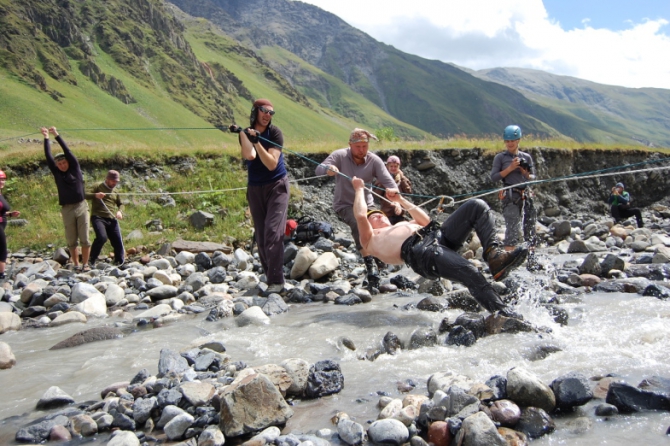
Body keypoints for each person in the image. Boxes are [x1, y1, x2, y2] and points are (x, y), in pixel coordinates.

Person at [351, 176, 528, 314]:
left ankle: (494, 256)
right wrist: (359, 189)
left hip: (438, 236)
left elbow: (426, 221)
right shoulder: (370, 240)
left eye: (380, 214)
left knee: (477, 205)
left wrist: (401, 200)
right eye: (373, 216)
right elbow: (360, 215)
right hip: (422, 253)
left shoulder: (400, 224)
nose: (378, 216)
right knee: (470, 272)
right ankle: (503, 312)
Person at [315, 128, 399, 291]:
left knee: (380, 223)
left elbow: (389, 182)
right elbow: (318, 169)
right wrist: (328, 169)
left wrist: (397, 201)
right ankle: (371, 268)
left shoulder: (374, 160)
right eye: (358, 147)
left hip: (367, 204)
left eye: (365, 146)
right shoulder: (339, 155)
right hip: (344, 204)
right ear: (350, 145)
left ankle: (382, 257)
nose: (362, 150)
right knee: (358, 223)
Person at [231, 99, 289, 293]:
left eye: (271, 113)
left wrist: (258, 143)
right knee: (262, 235)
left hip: (277, 185)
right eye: (264, 111)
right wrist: (243, 134)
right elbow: (249, 155)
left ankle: (277, 281)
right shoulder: (246, 132)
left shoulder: (275, 133)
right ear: (256, 111)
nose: (267, 115)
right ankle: (270, 277)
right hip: (255, 188)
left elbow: (272, 163)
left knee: (273, 231)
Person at [43, 126, 92, 270]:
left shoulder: (74, 168)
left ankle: (86, 264)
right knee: (71, 239)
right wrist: (46, 137)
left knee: (85, 238)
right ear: (57, 166)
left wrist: (56, 135)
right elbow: (48, 156)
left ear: (68, 162)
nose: (62, 165)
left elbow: (67, 151)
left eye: (64, 162)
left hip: (81, 206)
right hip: (67, 209)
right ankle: (76, 264)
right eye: (59, 164)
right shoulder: (57, 173)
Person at [490, 125, 537, 259]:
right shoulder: (500, 158)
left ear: (518, 140)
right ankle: (508, 258)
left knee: (530, 224)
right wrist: (510, 168)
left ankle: (531, 258)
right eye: (507, 141)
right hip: (510, 194)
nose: (510, 143)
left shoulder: (526, 157)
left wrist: (525, 173)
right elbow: (494, 177)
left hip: (526, 193)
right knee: (512, 226)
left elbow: (533, 177)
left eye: (513, 140)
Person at [87, 170, 125, 267]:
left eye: (116, 181)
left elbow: (121, 204)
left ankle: (119, 261)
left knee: (117, 240)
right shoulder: (98, 186)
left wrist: (120, 211)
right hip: (98, 217)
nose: (114, 183)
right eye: (113, 181)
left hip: (111, 218)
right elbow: (84, 194)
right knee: (102, 237)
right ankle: (91, 259)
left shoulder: (116, 191)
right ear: (107, 179)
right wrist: (96, 195)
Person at [375, 155, 412, 225]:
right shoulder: (382, 178)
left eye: (395, 166)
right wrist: (384, 181)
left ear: (399, 167)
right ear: (387, 167)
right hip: (387, 213)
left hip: (400, 213)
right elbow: (377, 194)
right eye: (391, 166)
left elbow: (408, 191)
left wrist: (402, 178)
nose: (393, 168)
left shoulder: (402, 178)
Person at [0, 170, 21, 280]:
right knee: (2, 249)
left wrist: (10, 214)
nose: (2, 182)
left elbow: (1, 211)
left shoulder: (0, 193)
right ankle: (1, 275)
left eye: (3, 179)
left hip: (2, 223)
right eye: (0, 179)